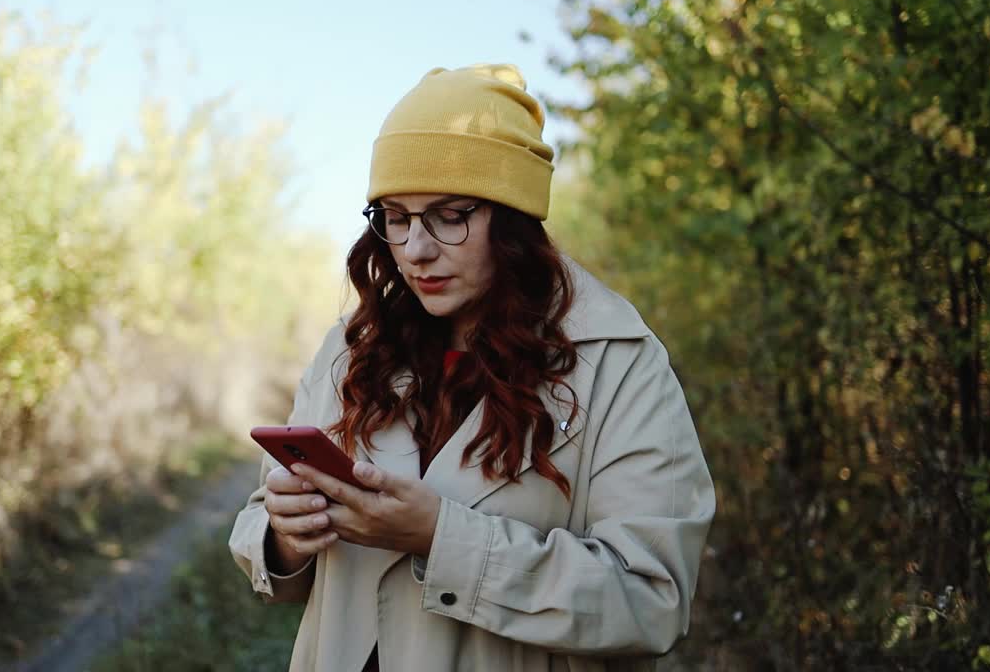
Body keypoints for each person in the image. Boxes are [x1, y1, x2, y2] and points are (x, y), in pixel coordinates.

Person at [229, 63, 715, 671]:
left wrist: (442, 538)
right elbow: (257, 521)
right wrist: (283, 535)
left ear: (512, 220)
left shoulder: (617, 363)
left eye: (450, 214)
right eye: (396, 217)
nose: (414, 248)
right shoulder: (352, 348)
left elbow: (651, 599)